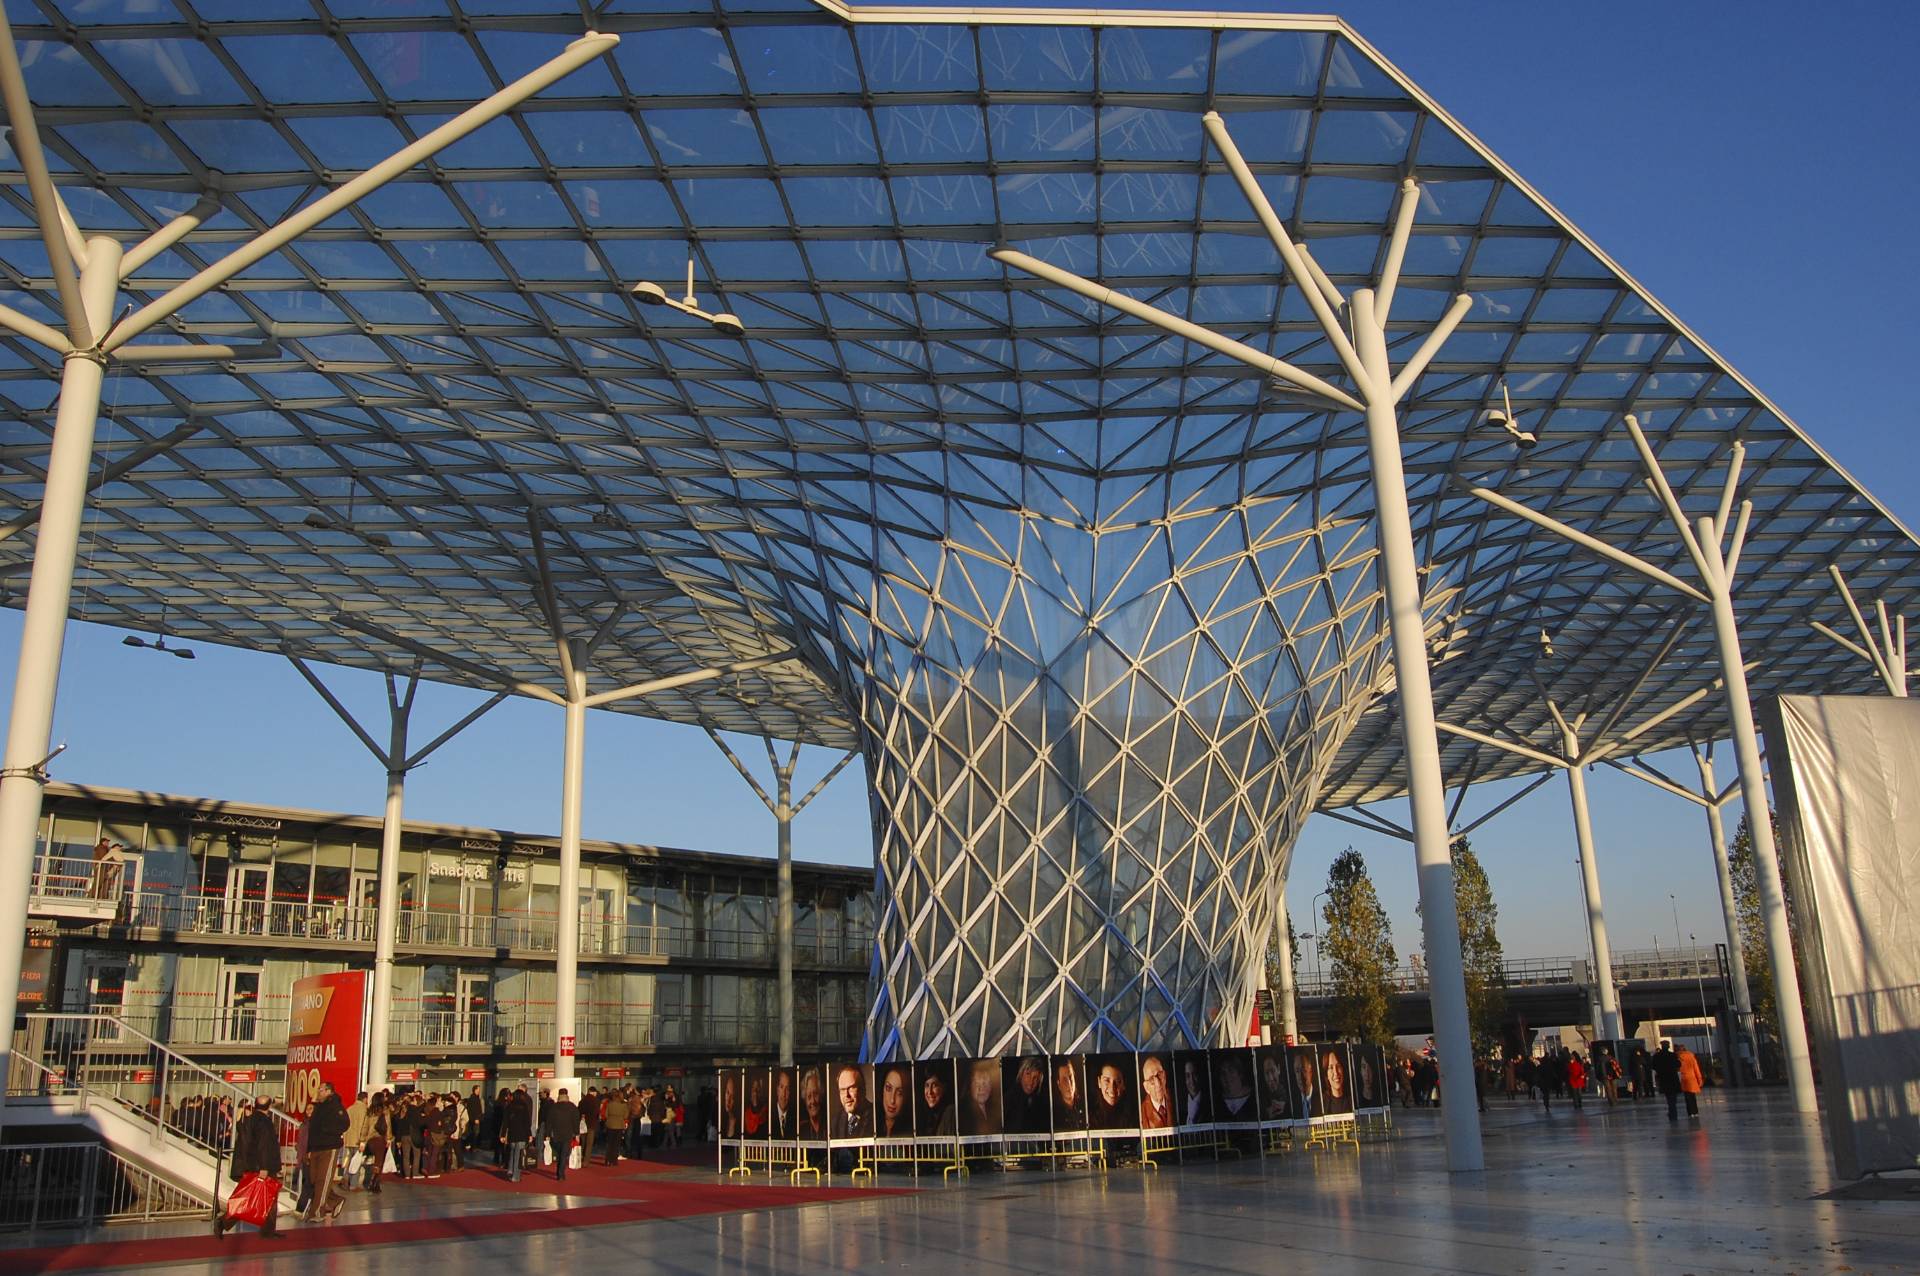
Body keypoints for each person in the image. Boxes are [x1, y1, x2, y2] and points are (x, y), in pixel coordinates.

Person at [216, 1097, 283, 1238]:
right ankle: (266, 1231)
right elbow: (264, 1146)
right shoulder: (265, 1122)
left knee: (247, 1197)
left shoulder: (249, 1120)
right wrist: (264, 1167)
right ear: (269, 1106)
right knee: (269, 1198)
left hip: (250, 1164)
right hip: (263, 1166)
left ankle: (225, 1222)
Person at [302, 1081, 349, 1223]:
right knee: (314, 1179)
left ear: (329, 1091)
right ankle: (335, 1200)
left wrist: (328, 1131)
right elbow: (312, 1130)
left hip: (329, 1147)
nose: (318, 1092)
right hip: (316, 1147)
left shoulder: (336, 1107)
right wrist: (309, 1149)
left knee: (323, 1180)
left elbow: (345, 1124)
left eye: (321, 1090)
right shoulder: (318, 1108)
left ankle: (317, 1212)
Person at [1002, 1057, 1049, 1134]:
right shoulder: (1008, 1099)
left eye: (1035, 1077)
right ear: (1020, 1074)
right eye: (1028, 1074)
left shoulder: (1040, 1103)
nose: (1031, 1082)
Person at [544, 1087, 579, 1180]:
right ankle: (561, 1173)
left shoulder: (554, 1107)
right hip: (568, 1133)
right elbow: (576, 1121)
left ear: (559, 1096)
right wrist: (577, 1133)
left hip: (556, 1134)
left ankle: (559, 1171)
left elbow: (549, 1122)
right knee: (564, 1153)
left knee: (559, 1153)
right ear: (567, 1096)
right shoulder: (572, 1107)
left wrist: (547, 1134)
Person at [832, 1065, 873, 1140]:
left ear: (863, 1089)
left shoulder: (875, 1115)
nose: (846, 1095)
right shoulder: (835, 1121)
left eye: (851, 1088)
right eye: (842, 1090)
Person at [960, 1060, 1001, 1136]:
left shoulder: (995, 1108)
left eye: (984, 1083)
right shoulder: (963, 1111)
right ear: (970, 1086)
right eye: (976, 1083)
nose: (981, 1089)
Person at [504, 1085, 533, 1182]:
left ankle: (510, 1170)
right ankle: (515, 1176)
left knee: (512, 1152)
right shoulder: (523, 1106)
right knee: (519, 1156)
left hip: (512, 1133)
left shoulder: (509, 1106)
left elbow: (505, 1122)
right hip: (522, 1133)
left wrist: (503, 1134)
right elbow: (526, 1122)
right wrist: (529, 1134)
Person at [1088, 1062, 1128, 1129]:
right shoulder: (1089, 1116)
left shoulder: (1133, 1116)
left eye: (1118, 1081)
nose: (1112, 1088)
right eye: (1107, 1080)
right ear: (1099, 1082)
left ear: (1124, 1085)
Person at [877, 1066, 913, 1139]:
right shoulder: (872, 1124)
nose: (892, 1100)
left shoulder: (910, 1133)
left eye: (900, 1093)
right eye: (888, 1088)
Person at [918, 1066, 956, 1136]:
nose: (929, 1092)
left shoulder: (950, 1112)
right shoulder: (927, 1115)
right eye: (927, 1085)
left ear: (944, 1087)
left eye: (935, 1085)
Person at [1651, 1040, 1683, 1121]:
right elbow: (1678, 1064)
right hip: (1673, 1079)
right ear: (1668, 1046)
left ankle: (1671, 1112)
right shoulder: (1672, 1055)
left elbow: (1653, 1066)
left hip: (1663, 1079)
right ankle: (1673, 1113)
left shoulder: (1657, 1056)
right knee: (1673, 1098)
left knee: (1669, 1097)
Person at [1051, 1059, 1085, 1132]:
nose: (1069, 1084)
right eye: (1064, 1079)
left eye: (1070, 1077)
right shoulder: (1055, 1114)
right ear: (1059, 1084)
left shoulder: (1085, 1104)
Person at [1139, 1055, 1172, 1130]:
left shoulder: (1176, 1099)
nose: (1158, 1084)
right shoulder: (1141, 1112)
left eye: (1159, 1075)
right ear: (1146, 1087)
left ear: (1165, 1077)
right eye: (1151, 1079)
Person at [1675, 1043, 1705, 1120]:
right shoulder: (1692, 1057)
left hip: (1683, 1079)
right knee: (1693, 1097)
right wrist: (1700, 1079)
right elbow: (1696, 1069)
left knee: (1687, 1097)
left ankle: (1690, 1112)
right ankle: (1695, 1112)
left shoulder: (1678, 1057)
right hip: (1692, 1078)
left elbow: (1677, 1069)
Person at [600, 1085, 629, 1164]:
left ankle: (607, 1160)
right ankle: (614, 1160)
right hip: (619, 1125)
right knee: (616, 1144)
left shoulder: (609, 1104)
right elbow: (626, 1116)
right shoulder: (624, 1105)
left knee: (609, 1143)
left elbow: (605, 1115)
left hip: (610, 1124)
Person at [798, 1069, 829, 1140]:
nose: (813, 1101)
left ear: (821, 1094)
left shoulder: (831, 1126)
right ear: (805, 1100)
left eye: (815, 1094)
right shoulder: (800, 1130)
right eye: (809, 1096)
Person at [769, 1068, 796, 1139]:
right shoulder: (768, 1115)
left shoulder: (795, 1118)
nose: (784, 1094)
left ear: (790, 1092)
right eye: (781, 1087)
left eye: (787, 1089)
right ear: (777, 1090)